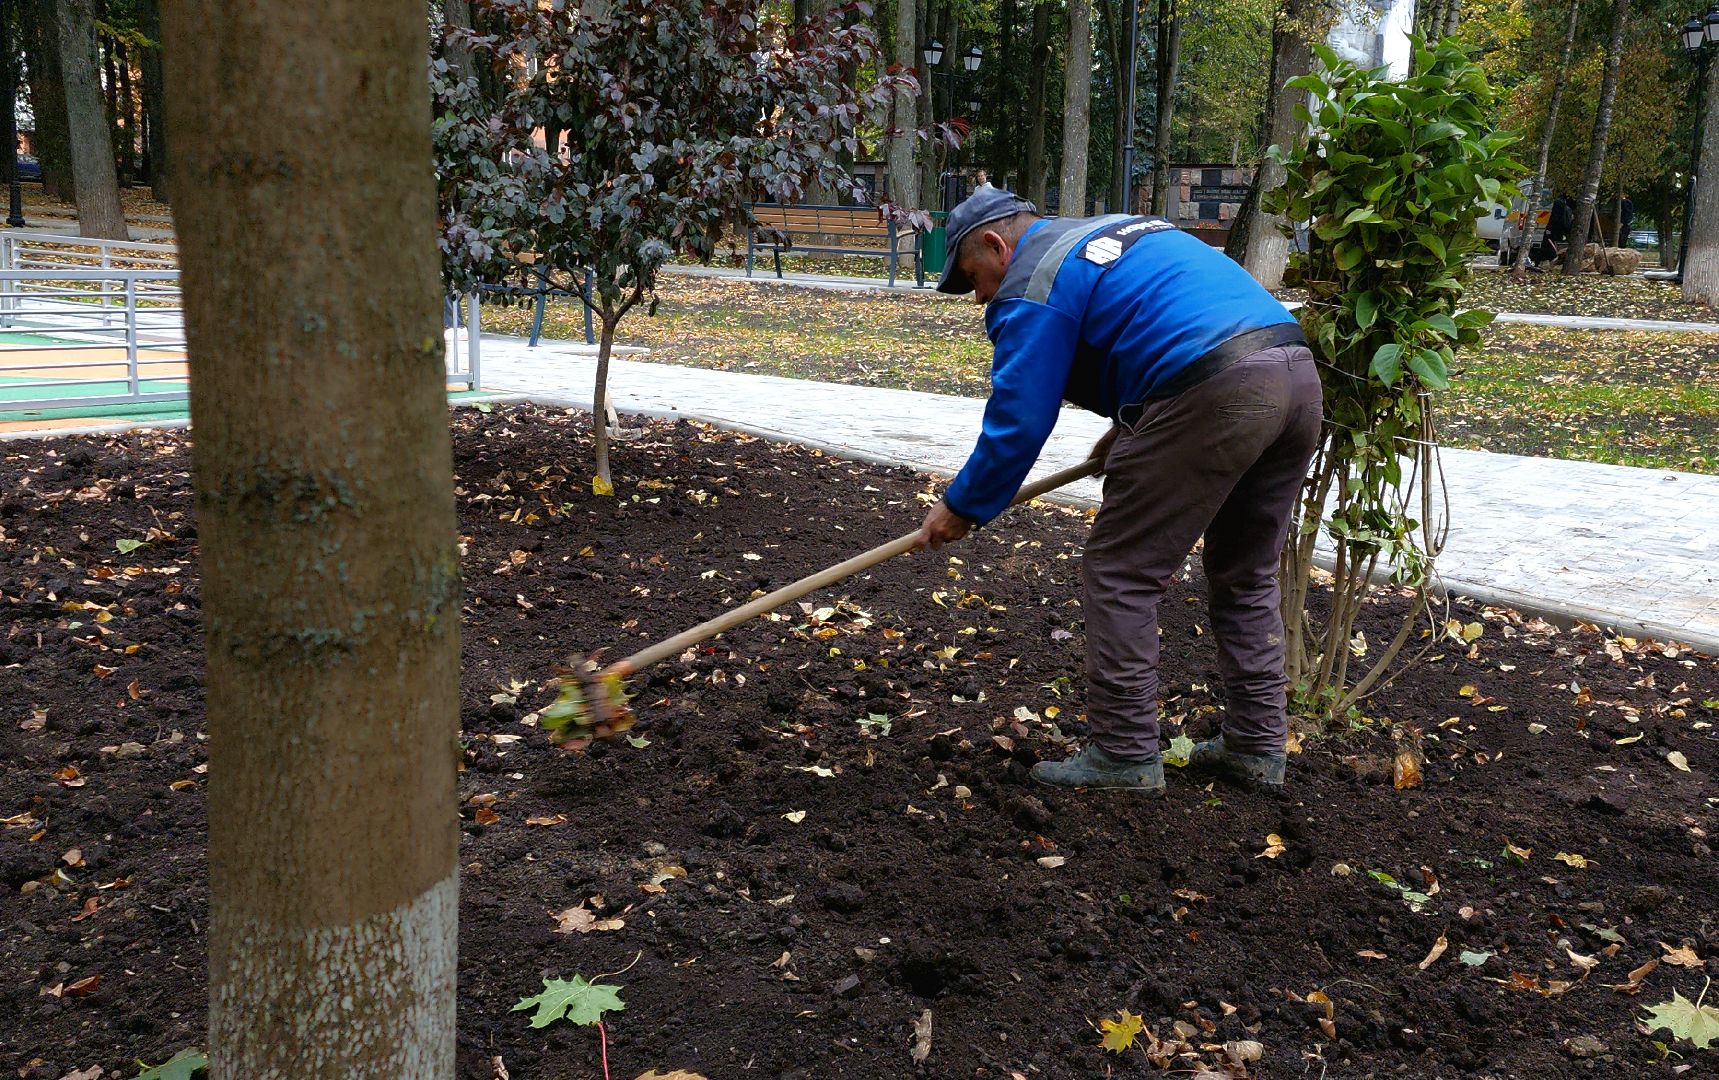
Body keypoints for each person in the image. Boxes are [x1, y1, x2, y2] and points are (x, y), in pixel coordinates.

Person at [918, 188, 1320, 795]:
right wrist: (1134, 423)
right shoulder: (1112, 233)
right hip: (1292, 374)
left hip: (1216, 391)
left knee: (1119, 572)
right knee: (1245, 573)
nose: (979, 297)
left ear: (997, 245)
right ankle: (1258, 746)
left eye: (974, 277)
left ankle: (1125, 752)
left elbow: (1021, 417)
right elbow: (1163, 321)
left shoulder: (1035, 277)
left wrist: (964, 504)